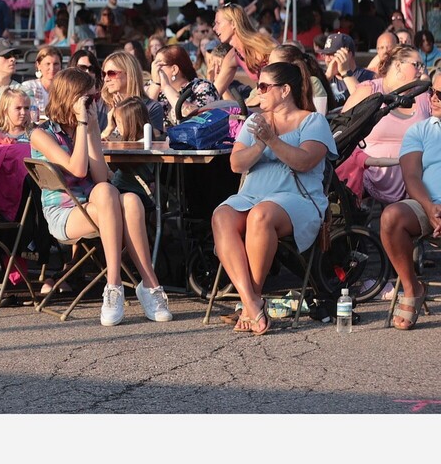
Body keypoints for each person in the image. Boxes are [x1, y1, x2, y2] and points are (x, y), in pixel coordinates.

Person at [30, 68, 172, 325]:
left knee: (129, 200)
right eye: (89, 99)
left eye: (95, 99)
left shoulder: (88, 125)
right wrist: (84, 125)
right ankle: (114, 285)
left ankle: (149, 285)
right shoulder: (41, 134)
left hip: (99, 207)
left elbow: (98, 176)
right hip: (64, 213)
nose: (95, 104)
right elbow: (77, 169)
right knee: (110, 193)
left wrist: (92, 127)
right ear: (71, 98)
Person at [212, 62, 336, 336]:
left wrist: (272, 141)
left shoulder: (312, 121)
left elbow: (304, 162)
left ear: (285, 90)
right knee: (221, 215)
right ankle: (252, 302)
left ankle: (250, 304)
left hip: (298, 199)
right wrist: (260, 143)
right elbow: (236, 163)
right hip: (253, 195)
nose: (259, 91)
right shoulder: (255, 122)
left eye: (264, 86)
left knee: (261, 215)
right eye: (259, 85)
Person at [379, 69, 441, 330]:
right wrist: (430, 208)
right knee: (392, 217)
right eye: (432, 91)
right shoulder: (421, 130)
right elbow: (411, 176)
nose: (434, 98)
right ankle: (411, 287)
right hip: (427, 203)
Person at [334, 44, 430, 204]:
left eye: (422, 66)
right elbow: (342, 133)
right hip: (367, 184)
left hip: (415, 185)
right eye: (417, 65)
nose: (422, 70)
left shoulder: (423, 97)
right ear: (398, 65)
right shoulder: (369, 91)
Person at [146, 45, 219, 128]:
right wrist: (156, 84)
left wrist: (166, 87)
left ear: (174, 69)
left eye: (158, 65)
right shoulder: (152, 87)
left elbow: (197, 119)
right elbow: (141, 115)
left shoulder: (202, 87)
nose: (154, 70)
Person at [213, 1, 276, 89]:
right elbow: (215, 90)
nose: (214, 28)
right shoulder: (234, 55)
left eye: (218, 23)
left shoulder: (261, 45)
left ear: (233, 24)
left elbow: (279, 81)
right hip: (264, 93)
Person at [102, 50, 165, 136]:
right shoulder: (101, 106)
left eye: (111, 73)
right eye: (104, 74)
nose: (106, 79)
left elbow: (150, 141)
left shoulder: (151, 107)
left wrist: (126, 113)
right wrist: (109, 129)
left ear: (129, 75)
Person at [20, 46, 63, 117]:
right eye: (48, 64)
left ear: (61, 66)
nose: (52, 68)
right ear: (38, 65)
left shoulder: (66, 89)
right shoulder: (28, 87)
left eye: (56, 64)